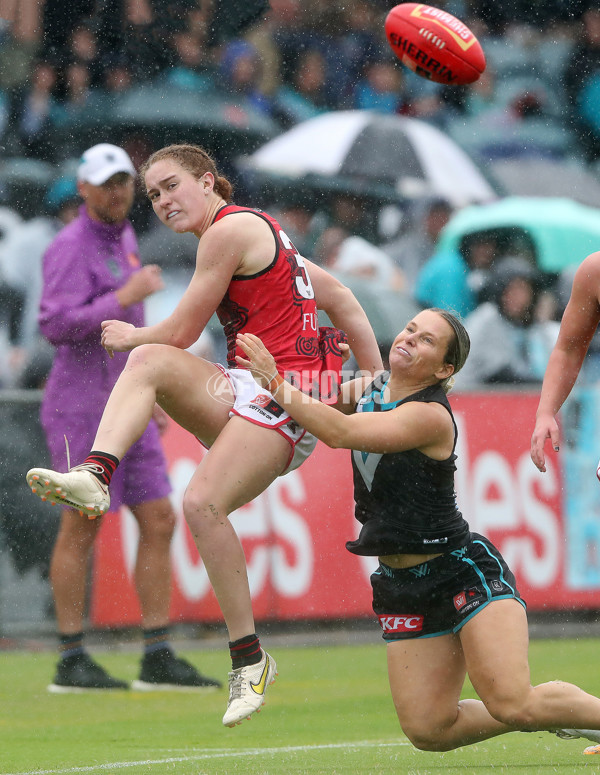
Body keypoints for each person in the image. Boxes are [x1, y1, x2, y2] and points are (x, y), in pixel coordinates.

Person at [26, 143, 383, 726]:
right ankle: (95, 473)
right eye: (155, 195)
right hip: (249, 390)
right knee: (151, 371)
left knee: (197, 500)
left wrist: (125, 332)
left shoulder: (227, 231)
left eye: (172, 186)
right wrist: (373, 381)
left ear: (211, 182)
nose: (162, 201)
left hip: (285, 405)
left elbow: (183, 328)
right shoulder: (259, 231)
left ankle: (250, 659)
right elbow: (341, 299)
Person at [234, 308, 600, 753]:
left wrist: (275, 380)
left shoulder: (430, 415)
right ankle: (564, 710)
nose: (409, 338)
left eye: (426, 340)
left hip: (460, 570)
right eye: (410, 329)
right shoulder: (370, 387)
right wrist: (314, 366)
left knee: (511, 702)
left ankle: (558, 709)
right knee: (429, 730)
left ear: (445, 369)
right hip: (401, 583)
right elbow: (308, 405)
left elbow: (338, 430)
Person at [31, 143, 221, 694]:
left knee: (158, 519)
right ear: (83, 189)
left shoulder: (126, 238)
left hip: (126, 402)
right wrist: (123, 296)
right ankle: (70, 657)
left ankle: (156, 653)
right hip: (80, 408)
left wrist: (152, 392)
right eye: (105, 182)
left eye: (123, 181)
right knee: (81, 525)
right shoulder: (69, 247)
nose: (117, 191)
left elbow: (126, 334)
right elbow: (54, 326)